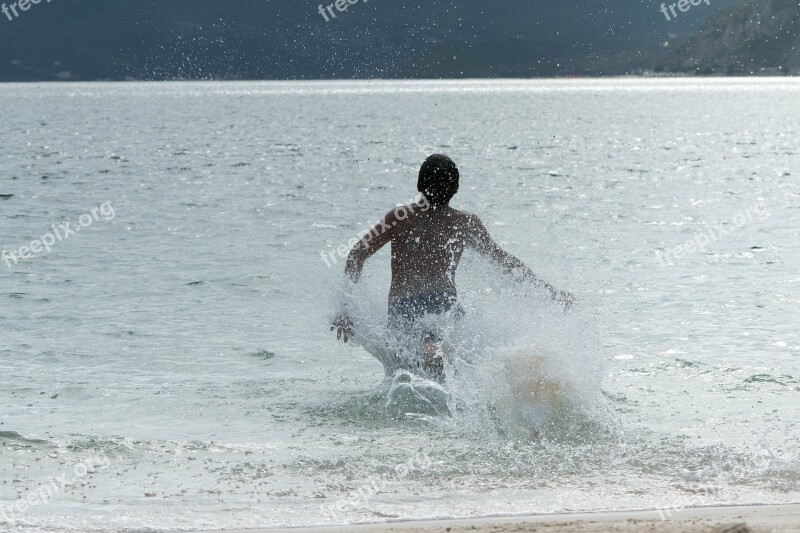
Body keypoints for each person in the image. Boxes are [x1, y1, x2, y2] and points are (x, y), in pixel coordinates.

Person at [331, 154, 574, 379]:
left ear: (418, 185)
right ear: (456, 189)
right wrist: (548, 292)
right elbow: (504, 263)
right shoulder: (464, 223)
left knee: (419, 362)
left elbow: (356, 254)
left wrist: (345, 308)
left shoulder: (400, 217)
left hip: (403, 307)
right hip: (445, 305)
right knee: (443, 358)